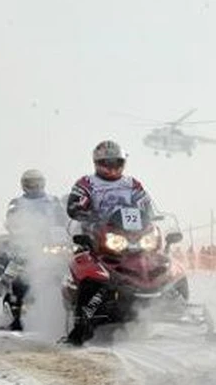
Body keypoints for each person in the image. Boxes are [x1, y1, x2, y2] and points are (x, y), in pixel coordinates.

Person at [64, 140, 153, 345]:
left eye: (117, 162)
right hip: (98, 236)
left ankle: (178, 305)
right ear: (98, 162)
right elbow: (75, 204)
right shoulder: (87, 183)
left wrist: (150, 216)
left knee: (160, 259)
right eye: (108, 162)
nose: (113, 167)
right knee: (88, 269)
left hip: (132, 236)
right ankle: (81, 323)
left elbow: (145, 204)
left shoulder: (132, 184)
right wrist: (82, 210)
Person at [0, 169, 68, 331]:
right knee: (18, 268)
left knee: (71, 264)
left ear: (42, 183)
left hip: (51, 243)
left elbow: (63, 219)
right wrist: (22, 231)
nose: (33, 186)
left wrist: (65, 231)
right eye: (29, 183)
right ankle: (15, 314)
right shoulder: (17, 202)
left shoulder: (53, 201)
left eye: (36, 182)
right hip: (27, 243)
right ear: (24, 185)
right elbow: (12, 221)